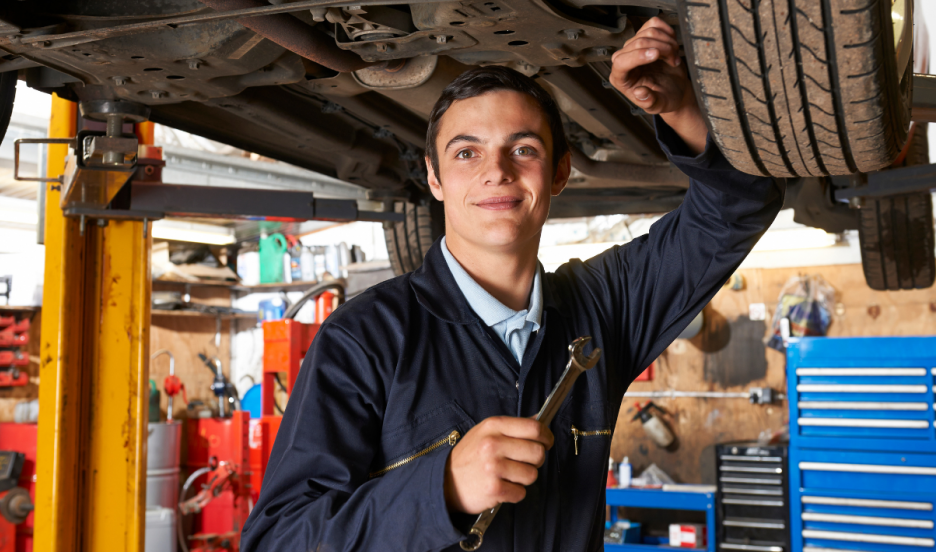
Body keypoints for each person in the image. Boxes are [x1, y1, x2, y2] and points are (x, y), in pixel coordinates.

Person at [242, 17, 783, 552]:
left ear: (560, 172)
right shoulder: (363, 339)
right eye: (466, 152)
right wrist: (442, 489)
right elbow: (277, 540)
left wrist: (679, 109)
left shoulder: (604, 308)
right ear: (434, 177)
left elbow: (737, 206)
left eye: (523, 149)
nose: (496, 171)